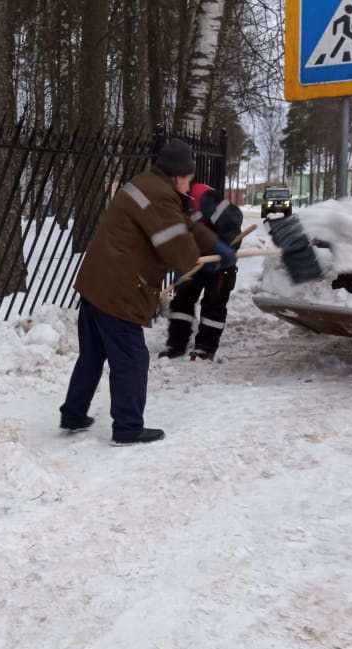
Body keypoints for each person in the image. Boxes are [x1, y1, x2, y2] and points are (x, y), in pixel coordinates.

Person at [58, 138, 237, 446]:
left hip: (95, 283)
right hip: (119, 290)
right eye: (189, 176)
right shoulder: (160, 197)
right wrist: (202, 260)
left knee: (92, 355)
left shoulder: (146, 186)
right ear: (178, 174)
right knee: (132, 359)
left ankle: (73, 415)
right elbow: (178, 248)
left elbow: (182, 224)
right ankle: (127, 428)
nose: (190, 182)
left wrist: (213, 244)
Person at [159, 183, 243, 361]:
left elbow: (233, 218)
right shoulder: (170, 208)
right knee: (182, 300)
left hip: (220, 262)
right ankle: (176, 345)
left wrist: (224, 248)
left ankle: (206, 347)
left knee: (213, 305)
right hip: (195, 259)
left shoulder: (201, 195)